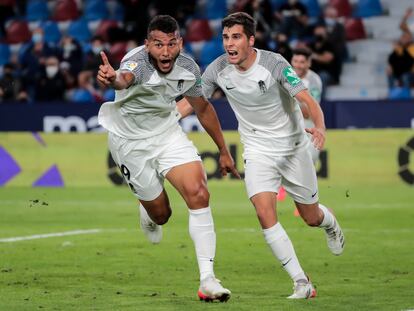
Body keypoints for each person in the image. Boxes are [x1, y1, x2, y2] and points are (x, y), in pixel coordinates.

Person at [180, 12, 345, 299]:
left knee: (310, 216)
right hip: (257, 150)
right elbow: (191, 103)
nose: (229, 44)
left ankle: (329, 223)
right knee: (264, 213)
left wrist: (319, 125)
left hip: (293, 148)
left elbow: (306, 99)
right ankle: (301, 282)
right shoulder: (218, 69)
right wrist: (162, 120)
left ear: (251, 40)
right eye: (225, 38)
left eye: (236, 37)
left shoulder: (274, 64)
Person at [96, 15, 239, 302]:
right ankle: (146, 211)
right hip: (130, 143)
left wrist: (224, 150)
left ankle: (208, 280)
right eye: (158, 44)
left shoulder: (187, 67)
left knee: (199, 193)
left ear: (180, 43)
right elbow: (125, 78)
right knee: (162, 214)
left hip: (166, 134)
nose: (165, 51)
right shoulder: (136, 62)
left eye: (171, 44)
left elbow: (202, 107)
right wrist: (113, 79)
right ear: (147, 44)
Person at [291, 48, 323, 164]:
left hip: (308, 127)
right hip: (289, 128)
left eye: (302, 62)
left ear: (309, 63)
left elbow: (308, 111)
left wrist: (288, 104)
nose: (298, 65)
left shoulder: (313, 80)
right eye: (295, 61)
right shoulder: (287, 76)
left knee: (308, 162)